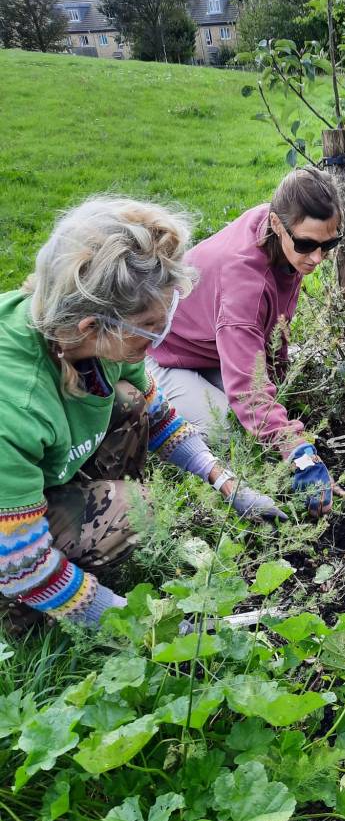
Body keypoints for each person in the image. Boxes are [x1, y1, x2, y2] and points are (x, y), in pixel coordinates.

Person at [0, 195, 284, 631]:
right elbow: (23, 566)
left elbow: (155, 412)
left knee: (130, 399)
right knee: (131, 511)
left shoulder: (98, 339)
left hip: (32, 489)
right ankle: (23, 618)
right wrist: (139, 627)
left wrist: (227, 482)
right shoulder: (16, 404)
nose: (162, 334)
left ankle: (78, 534)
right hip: (9, 554)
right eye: (150, 327)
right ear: (91, 327)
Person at [147, 166, 345, 517]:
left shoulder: (284, 239)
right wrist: (301, 454)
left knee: (272, 412)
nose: (317, 257)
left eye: (329, 244)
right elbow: (250, 393)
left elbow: (271, 332)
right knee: (232, 433)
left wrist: (284, 420)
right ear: (275, 224)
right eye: (307, 245)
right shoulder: (244, 285)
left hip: (213, 347)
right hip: (163, 356)